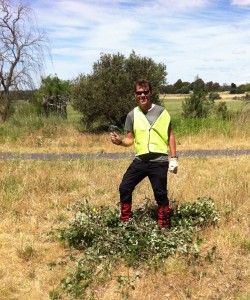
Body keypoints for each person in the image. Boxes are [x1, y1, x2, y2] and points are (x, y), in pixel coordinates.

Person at [110, 79, 178, 232]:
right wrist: (120, 141)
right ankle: (125, 220)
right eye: (139, 93)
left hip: (159, 160)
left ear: (151, 93)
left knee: (160, 194)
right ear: (135, 95)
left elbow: (170, 135)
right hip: (140, 160)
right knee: (124, 187)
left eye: (145, 92)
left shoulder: (162, 112)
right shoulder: (132, 115)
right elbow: (130, 139)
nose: (142, 95)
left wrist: (174, 158)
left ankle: (164, 226)